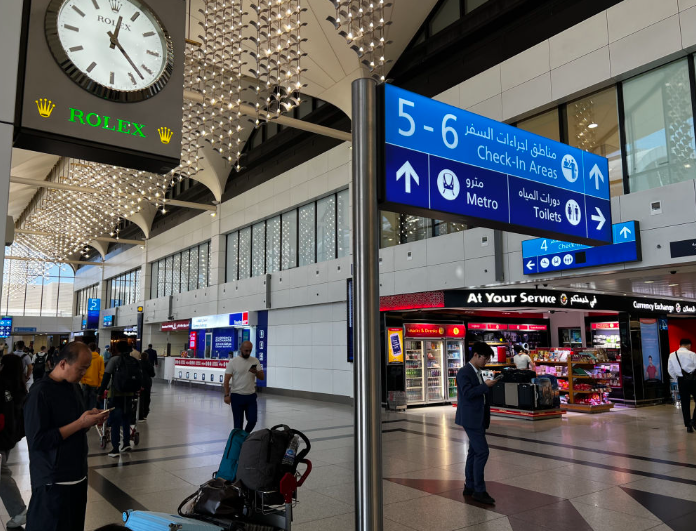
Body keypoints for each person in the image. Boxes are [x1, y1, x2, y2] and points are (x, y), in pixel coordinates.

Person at [24, 342, 110, 531]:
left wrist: (89, 419)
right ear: (63, 363)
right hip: (53, 481)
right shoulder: (40, 393)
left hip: (78, 476)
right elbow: (38, 440)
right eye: (81, 369)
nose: (84, 374)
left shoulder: (74, 387)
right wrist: (80, 423)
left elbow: (76, 426)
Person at [455, 341, 497, 505]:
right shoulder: (464, 372)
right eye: (484, 358)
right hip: (471, 418)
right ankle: (479, 490)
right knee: (482, 452)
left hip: (478, 417)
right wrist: (485, 386)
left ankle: (470, 485)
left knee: (473, 452)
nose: (485, 362)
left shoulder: (478, 371)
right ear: (476, 355)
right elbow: (467, 393)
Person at [0, 355, 29, 528]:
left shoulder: (2, 384)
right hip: (8, 438)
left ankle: (19, 511)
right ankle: (18, 511)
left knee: (2, 474)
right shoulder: (20, 388)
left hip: (2, 438)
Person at [98, 341, 140, 457]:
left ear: (117, 349)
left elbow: (106, 377)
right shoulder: (133, 360)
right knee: (126, 418)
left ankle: (115, 448)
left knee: (115, 421)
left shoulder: (114, 360)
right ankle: (126, 443)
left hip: (116, 394)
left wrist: (100, 392)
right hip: (129, 394)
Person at [223, 341, 265, 432]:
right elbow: (226, 380)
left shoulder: (255, 361)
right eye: (246, 350)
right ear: (241, 349)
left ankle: (245, 435)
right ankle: (239, 438)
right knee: (238, 424)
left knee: (253, 420)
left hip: (251, 396)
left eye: (250, 350)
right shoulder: (233, 362)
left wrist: (256, 372)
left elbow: (262, 377)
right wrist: (226, 395)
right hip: (237, 396)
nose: (248, 353)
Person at [668, 338, 696, 433]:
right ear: (689, 345)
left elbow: (670, 370)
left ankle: (688, 426)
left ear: (679, 345)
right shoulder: (692, 354)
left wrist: (677, 378)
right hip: (693, 380)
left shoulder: (672, 355)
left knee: (685, 403)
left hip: (681, 380)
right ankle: (694, 420)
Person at [80, 342, 105, 411]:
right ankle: (92, 414)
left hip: (85, 382)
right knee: (93, 401)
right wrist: (99, 384)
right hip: (95, 383)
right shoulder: (100, 359)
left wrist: (82, 380)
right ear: (96, 349)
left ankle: (84, 414)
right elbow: (101, 373)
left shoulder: (85, 358)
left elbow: (81, 369)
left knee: (84, 401)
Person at [138, 350, 155, 422]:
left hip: (140, 382)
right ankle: (145, 413)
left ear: (141, 357)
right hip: (147, 382)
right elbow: (153, 374)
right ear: (147, 357)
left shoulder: (138, 363)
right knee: (147, 398)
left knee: (140, 398)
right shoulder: (149, 364)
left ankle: (140, 415)